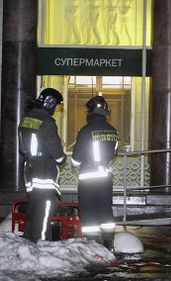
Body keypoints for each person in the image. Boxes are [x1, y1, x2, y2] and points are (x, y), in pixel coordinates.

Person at [18, 88, 66, 243]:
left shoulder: (26, 119)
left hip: (29, 168)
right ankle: (41, 244)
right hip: (44, 169)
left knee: (33, 207)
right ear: (50, 103)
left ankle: (28, 241)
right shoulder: (47, 122)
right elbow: (57, 153)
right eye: (56, 105)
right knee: (45, 208)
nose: (55, 109)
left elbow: (21, 148)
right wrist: (61, 158)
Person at [71, 95, 118, 250]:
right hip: (105, 177)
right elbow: (114, 153)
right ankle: (108, 242)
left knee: (88, 209)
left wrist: (76, 165)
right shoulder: (112, 130)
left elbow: (76, 158)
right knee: (105, 208)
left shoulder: (85, 130)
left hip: (88, 178)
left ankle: (91, 243)